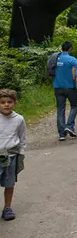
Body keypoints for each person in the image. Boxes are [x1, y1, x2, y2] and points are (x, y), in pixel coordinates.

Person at [0, 89, 27, 221]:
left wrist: (21, 154)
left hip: (11, 156)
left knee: (9, 184)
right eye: (3, 102)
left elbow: (22, 138)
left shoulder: (19, 119)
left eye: (9, 102)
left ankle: (7, 208)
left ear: (14, 103)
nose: (6, 105)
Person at [52, 41, 77, 140]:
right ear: (70, 48)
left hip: (57, 86)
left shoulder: (54, 59)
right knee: (74, 106)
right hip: (70, 87)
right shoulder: (72, 60)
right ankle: (69, 126)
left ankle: (61, 134)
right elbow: (73, 76)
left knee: (60, 109)